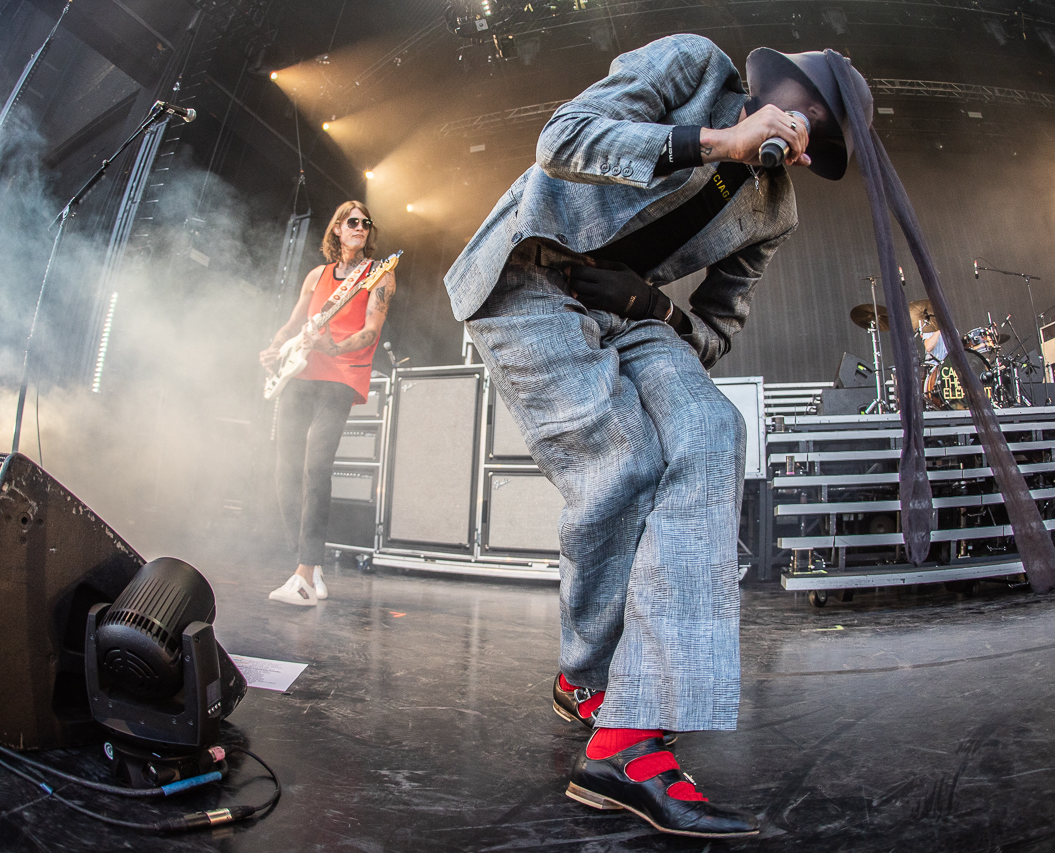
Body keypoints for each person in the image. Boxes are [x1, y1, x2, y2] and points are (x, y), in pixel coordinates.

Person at [444, 35, 870, 837]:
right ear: (778, 93)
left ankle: (631, 724)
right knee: (625, 463)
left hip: (627, 310)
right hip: (530, 273)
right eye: (808, 118)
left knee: (713, 428)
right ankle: (596, 691)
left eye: (823, 140)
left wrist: (649, 306)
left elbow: (714, 328)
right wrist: (717, 143)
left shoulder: (775, 209)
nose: (804, 142)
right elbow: (562, 139)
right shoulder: (694, 67)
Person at [261, 201, 395, 606]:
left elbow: (372, 330)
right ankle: (310, 563)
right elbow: (293, 322)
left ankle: (303, 576)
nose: (360, 227)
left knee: (315, 466)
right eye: (352, 221)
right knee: (285, 469)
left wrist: (334, 346)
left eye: (366, 223)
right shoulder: (317, 275)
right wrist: (273, 348)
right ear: (337, 228)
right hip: (299, 374)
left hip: (340, 376)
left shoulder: (379, 275)